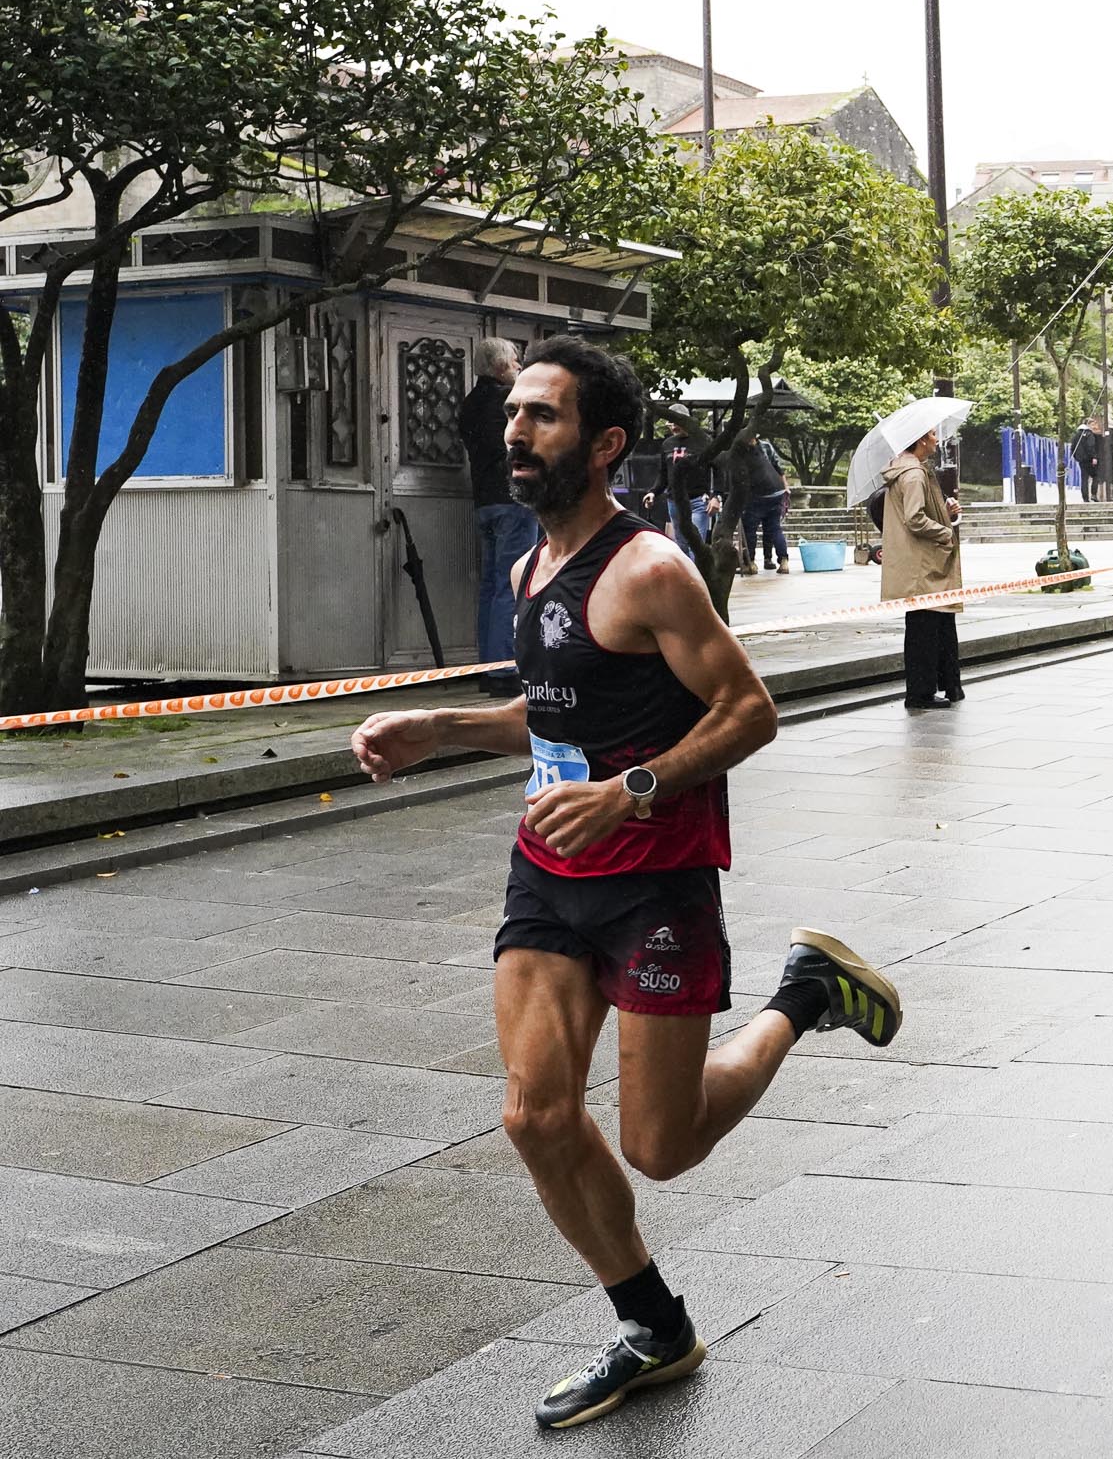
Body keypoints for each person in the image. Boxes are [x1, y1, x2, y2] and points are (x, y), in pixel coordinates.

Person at [347, 336, 901, 1431]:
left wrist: (631, 789)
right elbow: (553, 713)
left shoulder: (648, 567)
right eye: (514, 413)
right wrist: (436, 725)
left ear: (602, 444)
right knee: (535, 1115)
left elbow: (749, 709)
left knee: (661, 1143)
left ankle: (802, 993)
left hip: (656, 884)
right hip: (549, 876)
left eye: (543, 416)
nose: (517, 430)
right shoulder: (529, 565)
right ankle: (654, 1325)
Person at [460, 338, 534, 696]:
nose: (519, 366)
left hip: (484, 501)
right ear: (501, 366)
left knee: (490, 585)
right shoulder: (506, 406)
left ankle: (488, 667)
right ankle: (506, 669)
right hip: (512, 500)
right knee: (511, 584)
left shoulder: (470, 404)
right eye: (515, 361)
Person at [882, 426, 965, 706]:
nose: (936, 439)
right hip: (922, 565)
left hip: (922, 563)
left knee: (937, 625)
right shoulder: (914, 474)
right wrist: (945, 532)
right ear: (919, 440)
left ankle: (945, 685)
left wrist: (946, 511)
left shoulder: (914, 470)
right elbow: (915, 518)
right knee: (925, 630)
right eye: (931, 434)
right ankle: (921, 693)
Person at [725, 434, 790, 575]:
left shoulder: (742, 452)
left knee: (749, 529)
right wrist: (785, 488)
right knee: (775, 528)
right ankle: (783, 560)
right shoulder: (763, 448)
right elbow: (778, 468)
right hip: (776, 491)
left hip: (759, 494)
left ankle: (751, 563)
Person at [1072, 413, 1107, 502]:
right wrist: (1094, 457)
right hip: (1089, 460)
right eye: (1092, 424)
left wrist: (1076, 457)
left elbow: (1073, 447)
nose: (1094, 426)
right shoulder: (1089, 434)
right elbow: (1090, 446)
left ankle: (1085, 498)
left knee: (1084, 478)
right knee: (1095, 476)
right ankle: (1094, 494)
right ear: (1088, 425)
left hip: (1081, 460)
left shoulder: (1077, 435)